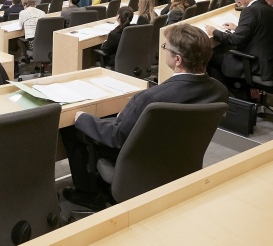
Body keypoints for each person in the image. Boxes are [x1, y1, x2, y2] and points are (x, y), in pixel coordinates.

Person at [60, 24, 228, 210]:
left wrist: (82, 117)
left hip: (139, 161)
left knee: (71, 128)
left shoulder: (150, 98)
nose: (164, 51)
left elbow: (116, 138)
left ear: (178, 60)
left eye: (166, 48)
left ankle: (89, 193)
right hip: (179, 159)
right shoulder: (220, 92)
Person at [205, 0, 273, 84]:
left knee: (211, 55)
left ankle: (230, 92)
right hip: (270, 62)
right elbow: (262, 31)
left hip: (255, 63)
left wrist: (214, 32)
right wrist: (237, 28)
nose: (238, 1)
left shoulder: (250, 11)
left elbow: (236, 40)